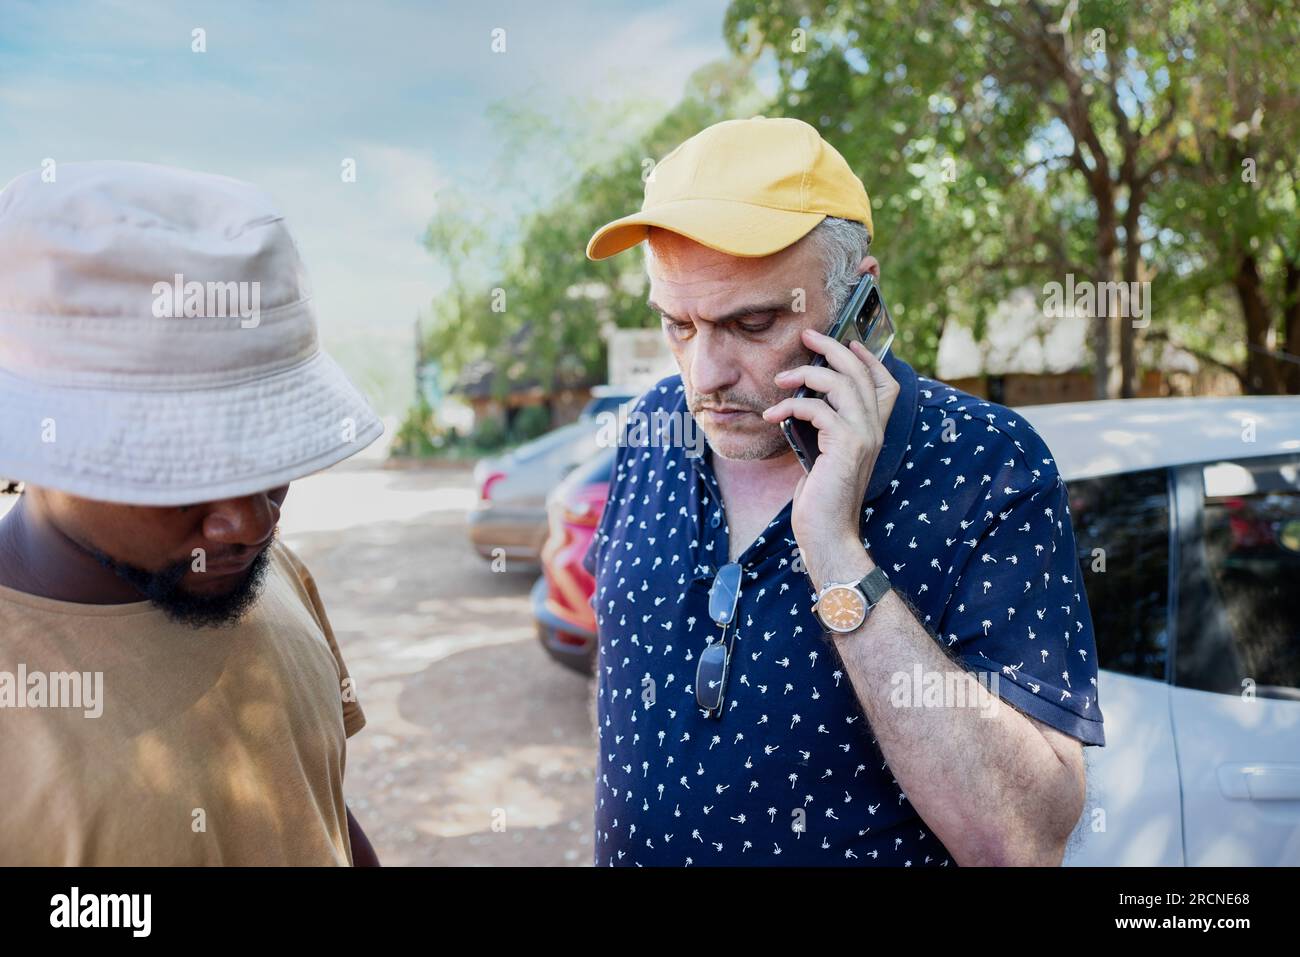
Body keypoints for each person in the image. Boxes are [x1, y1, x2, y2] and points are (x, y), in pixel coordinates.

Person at [582, 116, 1104, 866]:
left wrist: (834, 548)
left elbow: (1020, 841)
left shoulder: (989, 467)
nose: (704, 376)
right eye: (678, 324)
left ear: (856, 298)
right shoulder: (652, 426)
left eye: (752, 322)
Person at [0, 161, 384, 865]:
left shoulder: (278, 578)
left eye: (272, 455)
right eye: (186, 472)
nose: (250, 523)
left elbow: (320, 805)